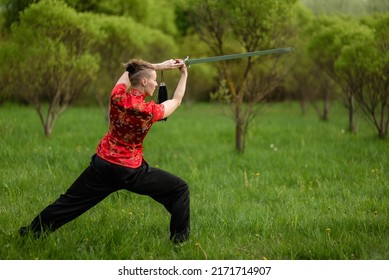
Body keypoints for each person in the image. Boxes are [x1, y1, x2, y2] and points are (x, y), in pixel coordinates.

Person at [19, 58, 190, 243]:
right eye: (154, 80)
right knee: (179, 189)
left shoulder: (117, 97)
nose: (156, 83)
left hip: (103, 164)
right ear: (144, 81)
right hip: (130, 171)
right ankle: (178, 244)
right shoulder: (149, 110)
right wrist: (183, 74)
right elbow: (177, 100)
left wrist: (157, 67)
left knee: (69, 202)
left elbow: (129, 73)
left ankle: (30, 233)